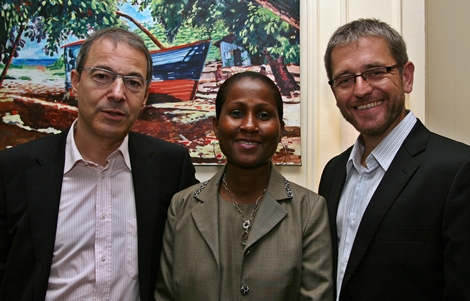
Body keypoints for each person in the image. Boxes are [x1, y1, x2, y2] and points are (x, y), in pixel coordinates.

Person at [0, 27, 198, 300]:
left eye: (133, 82)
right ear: (76, 82)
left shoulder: (171, 167)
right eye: (102, 77)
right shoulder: (12, 170)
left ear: (144, 98)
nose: (117, 94)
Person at [319, 18, 470, 301]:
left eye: (375, 72)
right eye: (345, 79)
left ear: (407, 76)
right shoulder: (334, 172)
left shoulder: (457, 170)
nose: (361, 90)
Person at [155, 71, 333, 301]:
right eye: (237, 113)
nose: (249, 125)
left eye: (264, 115)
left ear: (281, 130)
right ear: (217, 126)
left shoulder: (309, 210)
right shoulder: (181, 207)